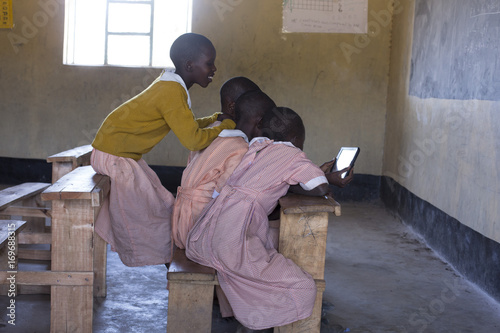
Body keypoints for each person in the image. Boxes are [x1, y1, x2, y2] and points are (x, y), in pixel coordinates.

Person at [185, 107, 353, 331]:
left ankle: (253, 317)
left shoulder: (257, 146)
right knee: (303, 287)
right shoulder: (294, 155)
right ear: (296, 139)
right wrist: (329, 179)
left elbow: (280, 184)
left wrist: (317, 172)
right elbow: (319, 186)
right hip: (233, 241)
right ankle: (258, 322)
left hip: (205, 234)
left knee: (267, 260)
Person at [90, 33, 236, 267]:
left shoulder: (172, 86)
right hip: (114, 157)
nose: (214, 68)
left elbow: (185, 124)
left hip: (121, 155)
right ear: (190, 65)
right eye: (209, 63)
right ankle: (173, 265)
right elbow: (193, 140)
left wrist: (212, 120)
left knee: (165, 204)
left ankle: (174, 263)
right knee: (152, 213)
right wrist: (227, 125)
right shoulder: (171, 91)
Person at [172, 80, 269, 250]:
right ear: (234, 107)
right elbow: (224, 194)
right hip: (199, 227)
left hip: (180, 218)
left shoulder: (208, 131)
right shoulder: (239, 147)